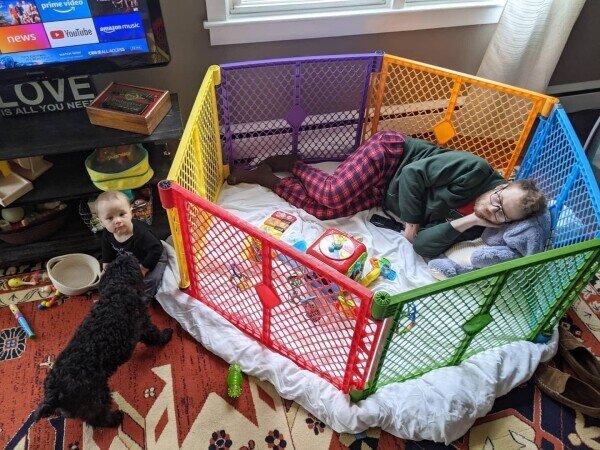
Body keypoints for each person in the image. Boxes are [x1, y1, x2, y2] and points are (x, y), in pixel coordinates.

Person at [227, 131, 547, 258]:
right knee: (333, 193)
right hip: (392, 156)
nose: (493, 209)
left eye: (503, 214)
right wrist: (412, 220)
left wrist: (471, 220)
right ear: (502, 186)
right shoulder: (474, 169)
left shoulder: (480, 226)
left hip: (385, 194)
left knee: (325, 211)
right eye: (498, 200)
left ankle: (268, 180)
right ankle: (294, 164)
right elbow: (412, 174)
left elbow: (421, 246)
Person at [96, 190, 167, 300]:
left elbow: (156, 249)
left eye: (122, 214)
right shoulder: (107, 234)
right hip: (131, 258)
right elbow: (107, 254)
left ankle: (143, 299)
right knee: (115, 279)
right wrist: (106, 271)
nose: (118, 220)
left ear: (131, 213)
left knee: (149, 280)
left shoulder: (141, 233)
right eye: (110, 218)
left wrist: (143, 269)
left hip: (153, 256)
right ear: (101, 222)